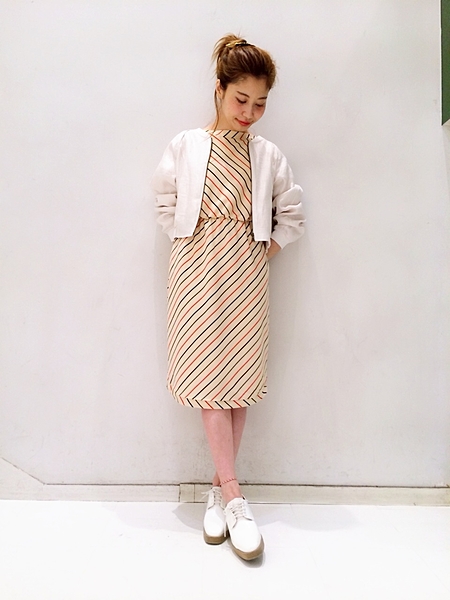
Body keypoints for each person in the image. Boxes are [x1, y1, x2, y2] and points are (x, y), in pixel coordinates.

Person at [152, 34, 305, 561]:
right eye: (241, 99)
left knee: (236, 383)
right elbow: (165, 201)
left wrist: (261, 253)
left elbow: (292, 215)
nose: (249, 112)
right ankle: (236, 496)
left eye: (260, 103)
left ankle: (220, 494)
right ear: (218, 89)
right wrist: (191, 243)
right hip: (194, 272)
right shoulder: (186, 145)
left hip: (246, 274)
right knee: (207, 381)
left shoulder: (268, 155)